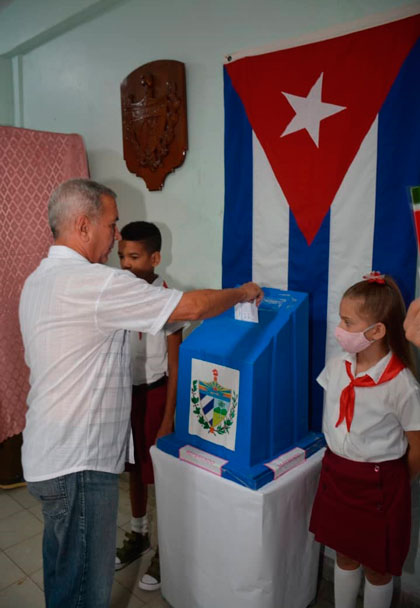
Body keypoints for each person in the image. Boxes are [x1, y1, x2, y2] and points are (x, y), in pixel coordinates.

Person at [18, 178, 263, 608]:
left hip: (47, 454)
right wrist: (242, 293)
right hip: (77, 462)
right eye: (111, 225)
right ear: (82, 225)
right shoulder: (94, 283)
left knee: (63, 572)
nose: (115, 237)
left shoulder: (39, 279)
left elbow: (163, 325)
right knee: (83, 590)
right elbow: (192, 307)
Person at [309, 272, 420, 608]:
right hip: (337, 474)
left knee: (377, 566)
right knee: (344, 553)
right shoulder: (337, 365)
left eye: (347, 322)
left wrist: (396, 480)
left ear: (377, 331)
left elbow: (417, 445)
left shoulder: (402, 384)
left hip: (379, 484)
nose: (339, 329)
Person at [115, 221, 183, 590]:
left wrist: (168, 417)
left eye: (134, 256)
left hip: (158, 395)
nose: (125, 264)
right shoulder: (118, 295)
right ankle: (138, 534)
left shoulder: (169, 300)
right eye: (122, 255)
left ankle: (165, 549)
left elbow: (175, 366)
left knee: (158, 475)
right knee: (134, 470)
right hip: (127, 395)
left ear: (155, 258)